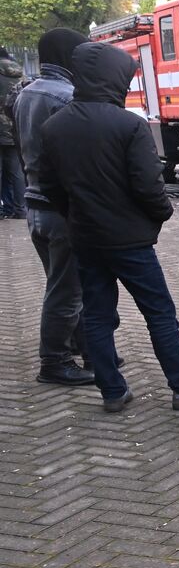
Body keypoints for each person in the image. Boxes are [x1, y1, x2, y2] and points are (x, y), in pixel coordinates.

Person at [37, 41, 179, 414]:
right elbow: (148, 186)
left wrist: (75, 216)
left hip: (86, 239)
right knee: (159, 313)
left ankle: (112, 391)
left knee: (96, 315)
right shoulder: (129, 125)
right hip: (130, 241)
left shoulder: (54, 126)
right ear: (114, 79)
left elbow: (49, 186)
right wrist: (159, 216)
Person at [11, 29, 94, 385]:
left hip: (34, 204)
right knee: (67, 290)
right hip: (60, 209)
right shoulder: (68, 97)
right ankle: (55, 361)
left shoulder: (23, 94)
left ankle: (88, 347)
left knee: (62, 283)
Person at [0, 47, 27, 219]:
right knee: (16, 172)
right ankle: (20, 209)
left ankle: (2, 210)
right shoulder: (19, 73)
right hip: (14, 127)